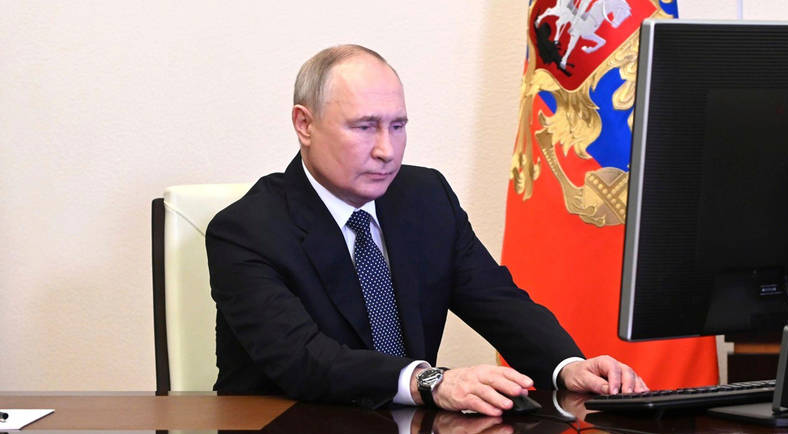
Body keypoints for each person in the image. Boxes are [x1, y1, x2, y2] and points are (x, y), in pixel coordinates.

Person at [206, 44, 648, 415]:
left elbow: (497, 300)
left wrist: (566, 365)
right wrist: (430, 380)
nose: (386, 150)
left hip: (412, 426)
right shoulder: (244, 231)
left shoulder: (425, 196)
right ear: (304, 124)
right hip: (296, 426)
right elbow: (303, 359)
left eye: (398, 126)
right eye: (364, 127)